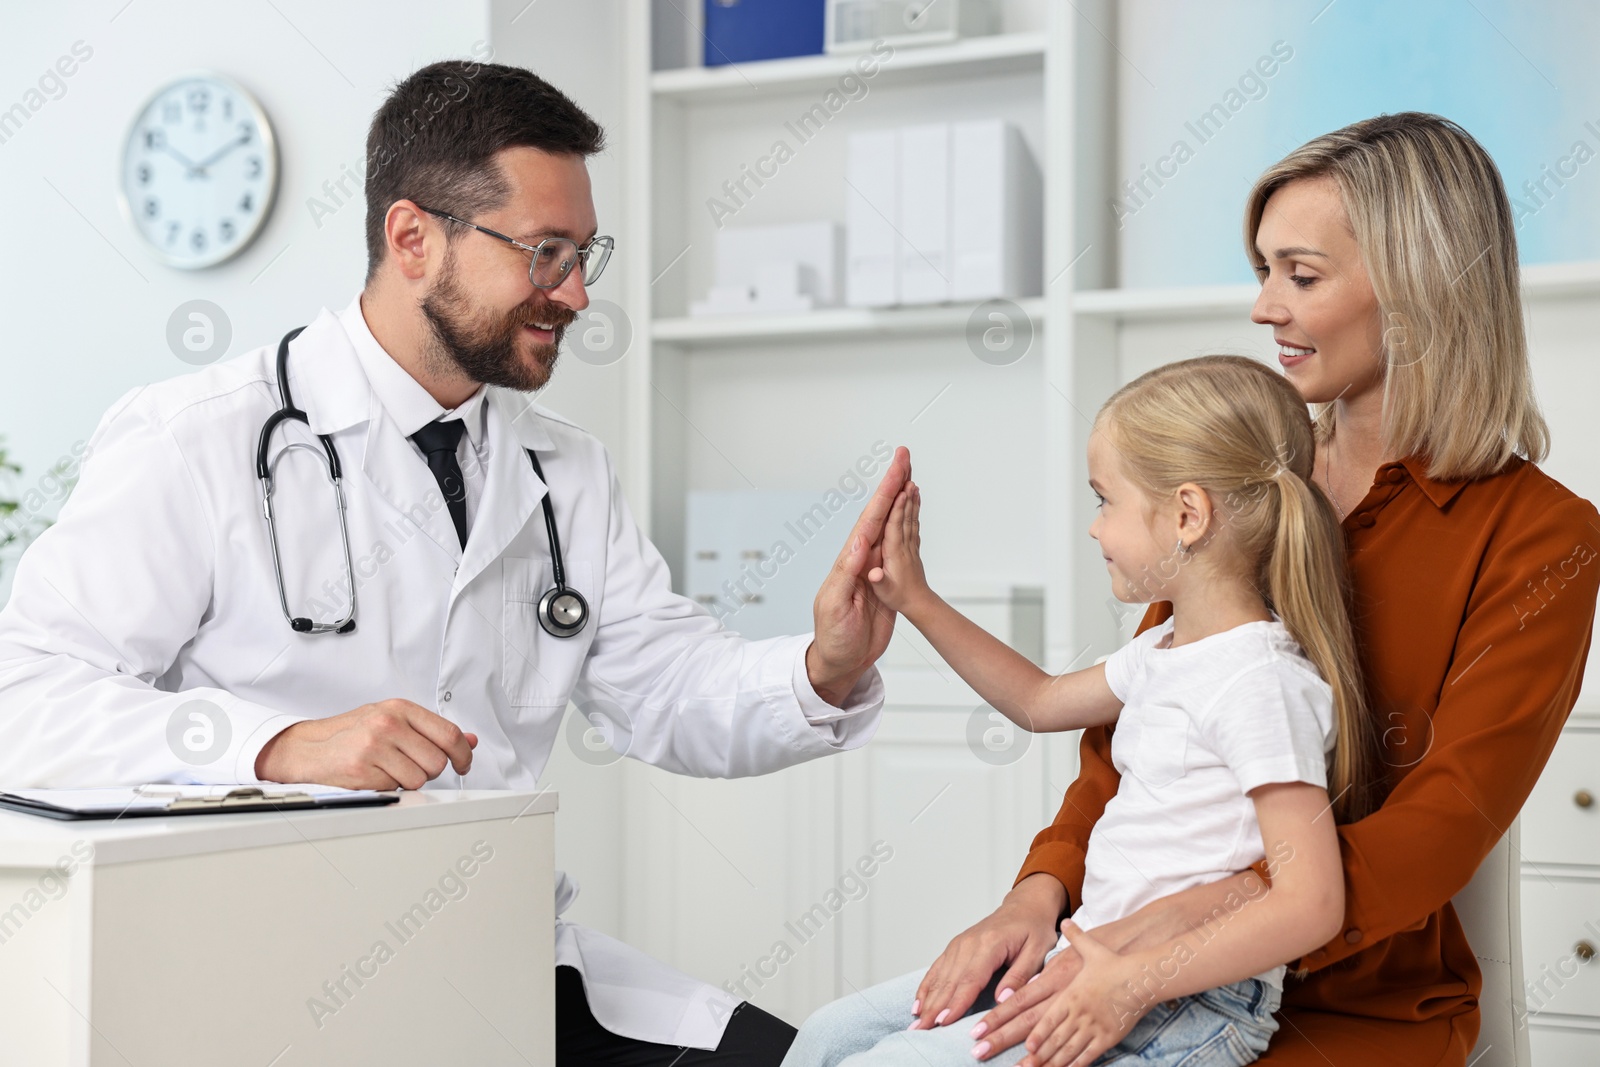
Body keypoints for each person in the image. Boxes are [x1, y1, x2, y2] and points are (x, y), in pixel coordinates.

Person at [0, 60, 910, 1066]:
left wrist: (822, 666)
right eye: (545, 253)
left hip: (498, 958)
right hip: (257, 977)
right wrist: (275, 747)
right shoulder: (198, 439)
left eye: (584, 253)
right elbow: (23, 700)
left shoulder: (564, 469)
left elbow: (668, 686)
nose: (576, 293)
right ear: (412, 239)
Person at [907, 113, 1600, 1067]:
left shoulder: (1541, 535)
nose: (1263, 307)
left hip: (1351, 1011)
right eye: (1263, 270)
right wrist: (1039, 892)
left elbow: (1446, 821)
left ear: (1419, 287)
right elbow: (1134, 737)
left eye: (1300, 275)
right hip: (1127, 960)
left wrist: (1184, 926)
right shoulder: (1254, 481)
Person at [784, 354, 1380, 1066]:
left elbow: (1311, 902)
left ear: (1188, 514)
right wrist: (915, 598)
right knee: (828, 1037)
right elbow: (1037, 701)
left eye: (1105, 500)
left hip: (1192, 1000)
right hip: (1096, 950)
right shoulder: (1166, 647)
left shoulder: (1259, 683)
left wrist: (1131, 980)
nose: (1095, 528)